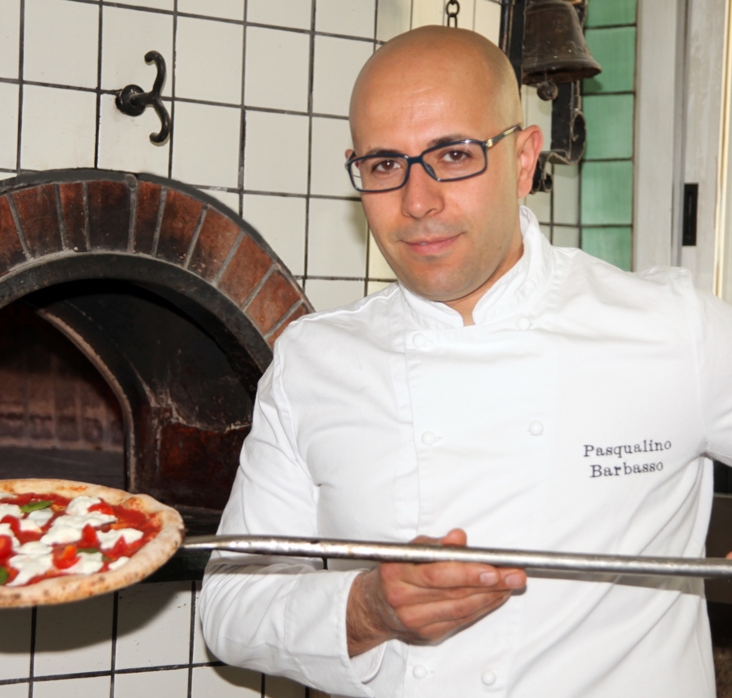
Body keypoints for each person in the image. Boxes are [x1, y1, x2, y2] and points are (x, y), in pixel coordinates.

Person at [198, 25, 732, 698]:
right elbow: (228, 611)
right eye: (385, 164)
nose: (418, 202)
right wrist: (365, 610)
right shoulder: (313, 362)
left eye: (453, 154)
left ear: (525, 159)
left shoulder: (672, 328)